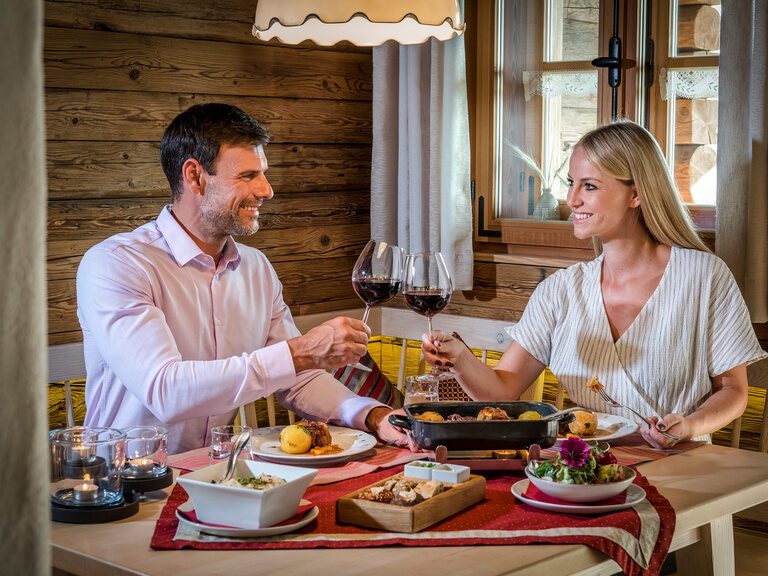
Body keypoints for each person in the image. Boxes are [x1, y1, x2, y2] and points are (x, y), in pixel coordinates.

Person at [77, 103, 409, 454]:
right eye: (248, 176)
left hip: (217, 474)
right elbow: (166, 391)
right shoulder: (117, 264)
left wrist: (374, 416)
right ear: (195, 176)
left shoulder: (257, 267)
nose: (267, 191)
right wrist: (299, 351)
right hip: (119, 488)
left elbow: (298, 377)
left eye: (263, 173)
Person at [422, 121, 767, 449]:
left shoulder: (704, 276)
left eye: (589, 186)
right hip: (581, 470)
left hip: (682, 468)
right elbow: (503, 389)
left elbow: (734, 390)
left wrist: (689, 426)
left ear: (636, 194)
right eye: (571, 183)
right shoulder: (560, 291)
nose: (572, 200)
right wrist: (460, 358)